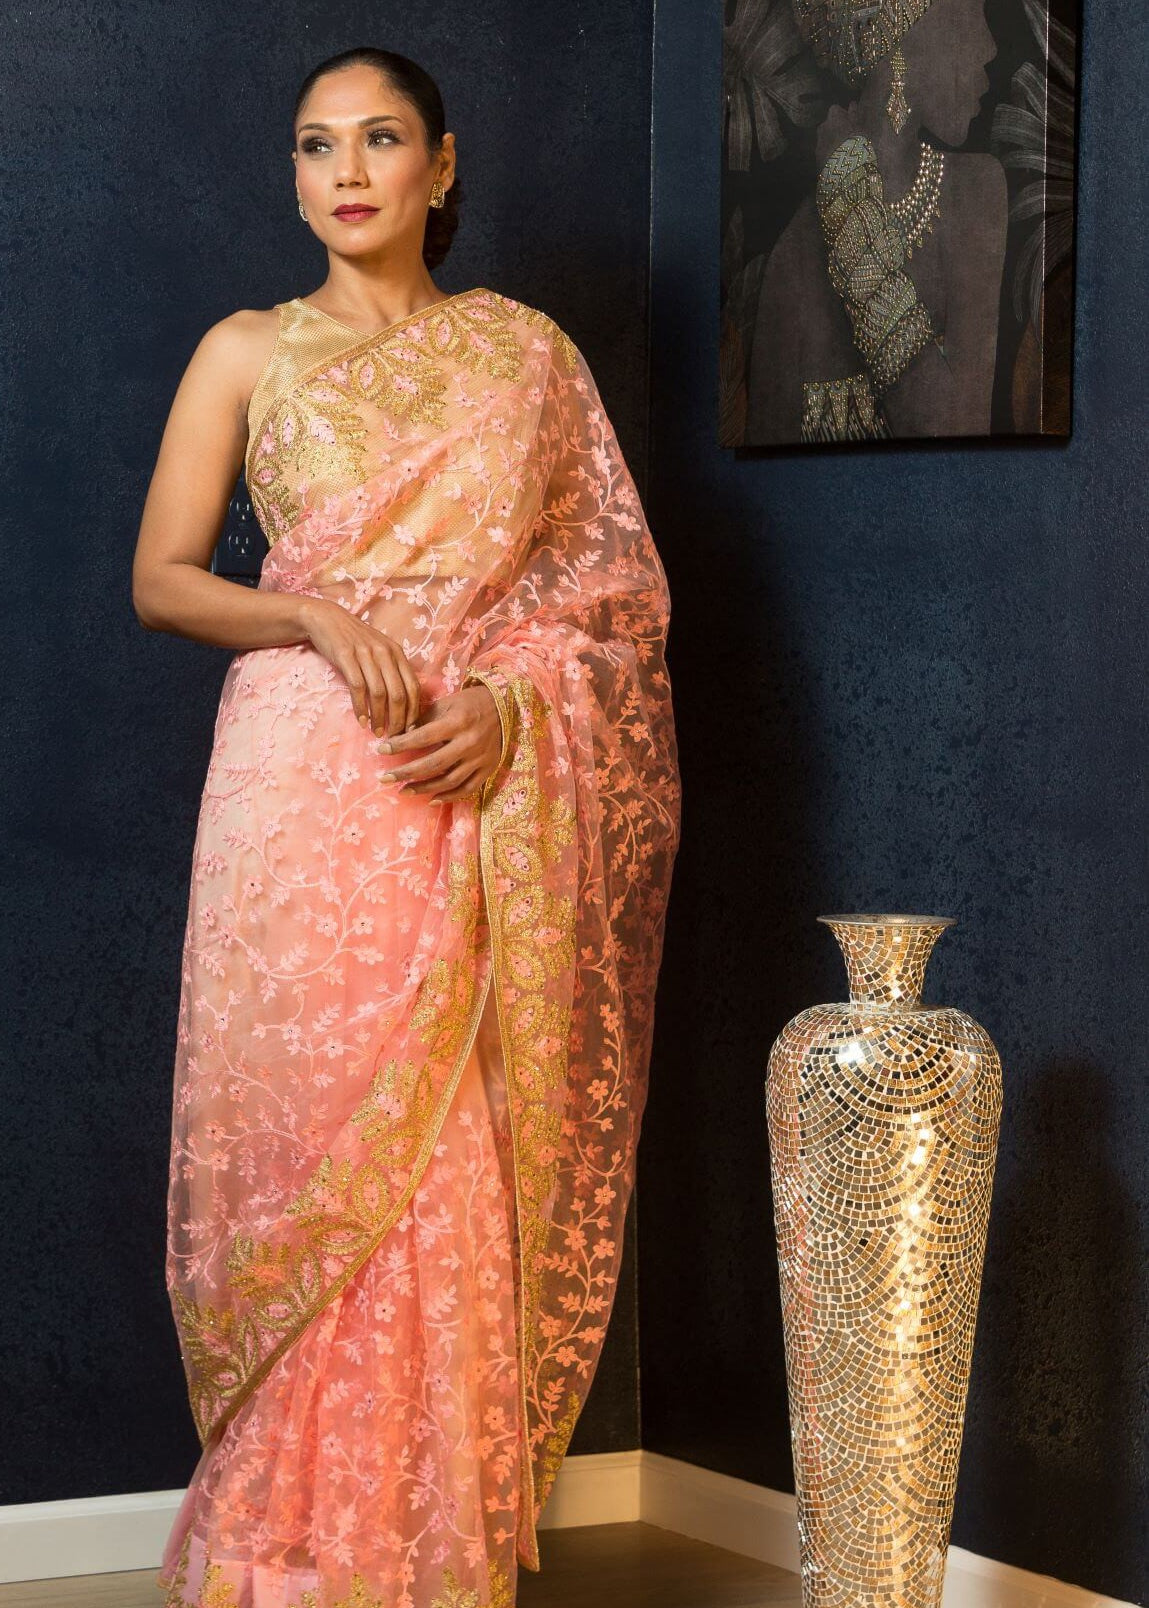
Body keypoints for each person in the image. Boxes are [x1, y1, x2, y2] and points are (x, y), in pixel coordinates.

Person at [133, 45, 680, 1608]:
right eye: (317, 146)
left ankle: (421, 1543)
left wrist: (510, 709)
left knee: (451, 1143)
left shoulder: (525, 356)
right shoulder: (246, 351)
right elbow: (164, 579)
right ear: (295, 177)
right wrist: (309, 612)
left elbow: (610, 601)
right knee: (312, 1142)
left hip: (477, 777)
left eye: (380, 141)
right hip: (302, 779)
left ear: (441, 168)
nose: (346, 173)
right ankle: (288, 1542)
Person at [747, 0, 1007, 443]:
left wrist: (850, 211)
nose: (990, 48)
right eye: (970, 10)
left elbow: (952, 432)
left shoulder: (976, 191)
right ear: (899, 40)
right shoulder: (796, 254)